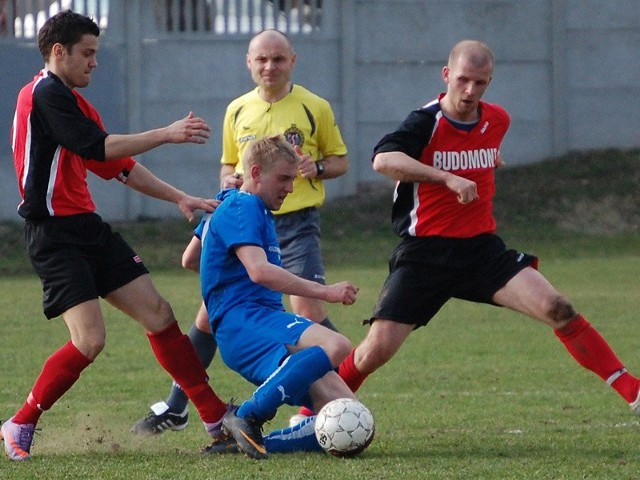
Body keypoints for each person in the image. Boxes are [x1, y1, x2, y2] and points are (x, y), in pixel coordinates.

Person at [335, 39, 640, 417]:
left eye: (481, 83)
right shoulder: (424, 121)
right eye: (463, 80)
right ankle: (310, 411)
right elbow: (384, 160)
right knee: (374, 351)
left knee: (558, 307)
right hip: (426, 254)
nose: (470, 91)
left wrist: (488, 161)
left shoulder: (498, 120)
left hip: (481, 251)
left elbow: (480, 149)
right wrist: (447, 178)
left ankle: (634, 392)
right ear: (446, 75)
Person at [0, 10, 232, 462]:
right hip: (53, 235)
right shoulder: (44, 94)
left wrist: (179, 198)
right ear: (58, 52)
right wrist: (166, 134)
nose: (94, 63)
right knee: (90, 341)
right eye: (87, 54)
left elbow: (116, 166)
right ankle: (20, 421)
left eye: (96, 54)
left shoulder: (73, 102)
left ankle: (214, 416)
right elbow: (99, 147)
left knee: (160, 314)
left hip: (87, 227)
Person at [132, 28, 349, 434]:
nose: (270, 67)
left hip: (295, 223)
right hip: (246, 220)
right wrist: (230, 190)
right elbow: (229, 168)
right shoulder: (237, 110)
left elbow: (340, 162)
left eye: (278, 59)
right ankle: (183, 405)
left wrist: (314, 169)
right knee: (212, 317)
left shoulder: (314, 106)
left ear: (292, 62)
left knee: (306, 311)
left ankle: (328, 388)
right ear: (249, 63)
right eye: (262, 59)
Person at [196, 135, 358, 459]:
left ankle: (245, 441)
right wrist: (327, 291)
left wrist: (215, 260)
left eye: (293, 179)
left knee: (351, 417)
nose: (289, 188)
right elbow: (259, 271)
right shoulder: (243, 206)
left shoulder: (243, 207)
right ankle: (248, 414)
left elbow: (190, 258)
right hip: (245, 321)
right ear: (255, 173)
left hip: (261, 320)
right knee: (336, 345)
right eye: (283, 178)